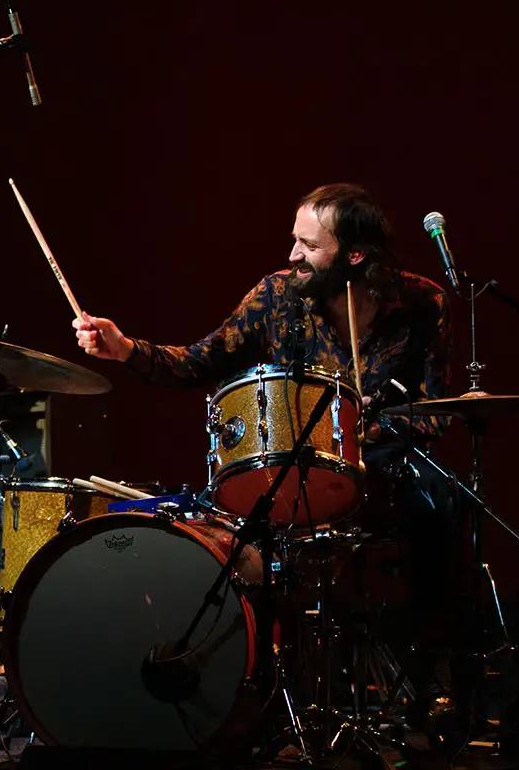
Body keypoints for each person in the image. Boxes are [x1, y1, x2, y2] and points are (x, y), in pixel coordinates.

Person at [71, 183, 467, 741]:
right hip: (294, 466)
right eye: (294, 240)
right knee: (227, 525)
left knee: (443, 500)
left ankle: (439, 679)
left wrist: (371, 433)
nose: (293, 255)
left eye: (309, 245)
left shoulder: (424, 306)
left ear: (354, 255)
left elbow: (433, 413)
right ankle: (244, 687)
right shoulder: (278, 296)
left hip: (385, 466)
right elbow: (200, 361)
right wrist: (126, 348)